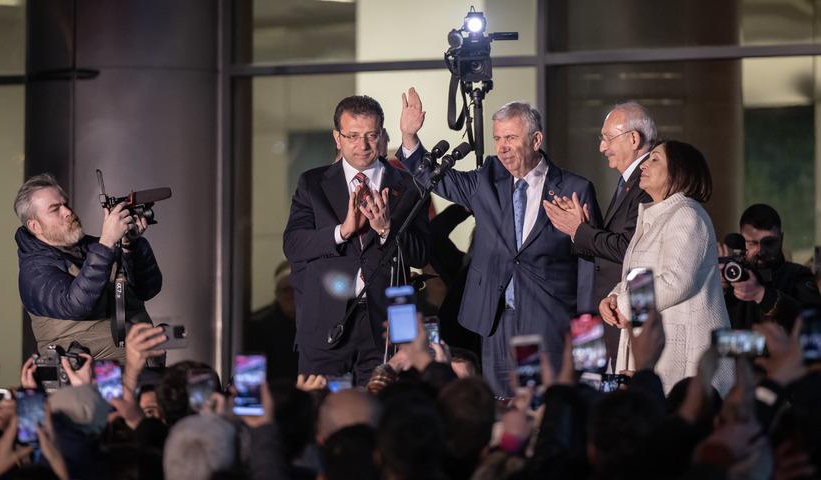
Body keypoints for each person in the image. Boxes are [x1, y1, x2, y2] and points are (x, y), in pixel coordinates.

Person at [397, 87, 601, 396]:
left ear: (536, 140)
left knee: (541, 403)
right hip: (495, 320)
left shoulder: (574, 188)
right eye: (498, 139)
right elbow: (435, 179)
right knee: (501, 402)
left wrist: (587, 324)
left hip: (548, 317)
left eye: (511, 138)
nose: (502, 148)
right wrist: (410, 138)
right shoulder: (487, 180)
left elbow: (589, 262)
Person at [283, 95, 429, 385]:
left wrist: (387, 230)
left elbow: (421, 255)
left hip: (386, 327)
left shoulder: (409, 186)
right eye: (352, 136)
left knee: (383, 416)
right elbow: (294, 245)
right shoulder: (312, 184)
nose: (362, 146)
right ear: (337, 138)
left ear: (382, 135)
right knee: (321, 413)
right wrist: (343, 231)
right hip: (325, 323)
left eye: (371, 136)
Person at [599, 140, 730, 394]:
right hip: (654, 343)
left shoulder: (687, 214)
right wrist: (614, 297)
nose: (644, 166)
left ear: (679, 171)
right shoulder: (655, 217)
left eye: (655, 159)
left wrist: (625, 304)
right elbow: (641, 278)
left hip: (683, 353)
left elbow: (675, 280)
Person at [544, 101, 656, 365]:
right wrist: (582, 230)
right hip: (607, 311)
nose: (602, 147)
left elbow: (627, 249)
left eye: (607, 138)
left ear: (633, 138)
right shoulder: (628, 182)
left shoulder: (646, 183)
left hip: (626, 311)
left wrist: (579, 230)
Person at [13, 173, 162, 359]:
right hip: (89, 382)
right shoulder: (34, 272)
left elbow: (147, 289)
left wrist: (129, 246)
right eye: (55, 209)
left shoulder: (96, 248)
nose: (67, 211)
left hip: (143, 370)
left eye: (66, 204)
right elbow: (76, 304)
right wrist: (107, 242)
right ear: (35, 226)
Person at [720, 204, 821, 331]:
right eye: (752, 243)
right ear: (741, 241)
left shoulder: (798, 275)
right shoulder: (729, 276)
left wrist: (762, 295)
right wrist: (718, 289)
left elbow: (813, 323)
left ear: (781, 239)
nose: (760, 251)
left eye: (769, 243)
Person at [244, 261, 298, 381]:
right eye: (286, 290)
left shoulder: (320, 325)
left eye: (297, 289)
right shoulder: (257, 326)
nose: (292, 295)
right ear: (277, 293)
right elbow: (251, 376)